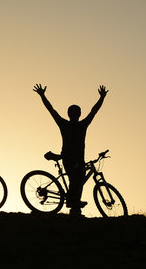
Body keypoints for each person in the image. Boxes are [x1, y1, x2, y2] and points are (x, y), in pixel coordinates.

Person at [33, 84, 108, 216]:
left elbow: (93, 111)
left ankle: (75, 208)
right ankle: (72, 204)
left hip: (78, 159)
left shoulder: (75, 125)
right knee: (77, 180)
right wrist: (42, 96)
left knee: (78, 181)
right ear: (73, 114)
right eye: (75, 113)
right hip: (69, 159)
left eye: (77, 112)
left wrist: (102, 98)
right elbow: (52, 110)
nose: (76, 114)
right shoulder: (71, 124)